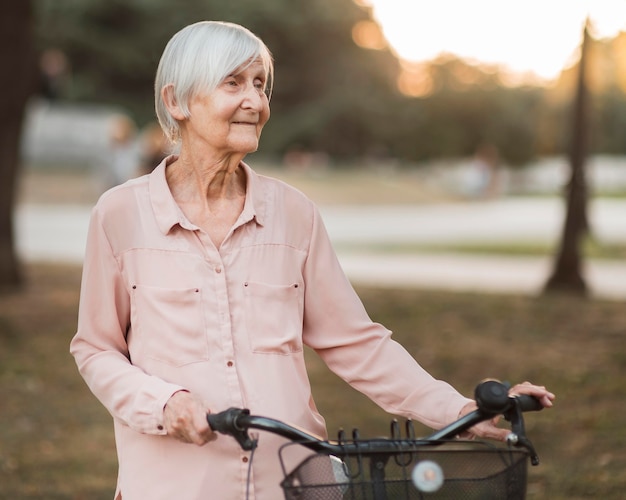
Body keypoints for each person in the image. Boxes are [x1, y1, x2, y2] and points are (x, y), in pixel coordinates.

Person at [70, 21, 554, 500]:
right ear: (176, 102)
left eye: (260, 84)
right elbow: (96, 348)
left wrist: (459, 411)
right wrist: (163, 402)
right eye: (233, 83)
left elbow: (357, 343)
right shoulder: (120, 215)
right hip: (171, 486)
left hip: (293, 482)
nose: (255, 102)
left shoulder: (295, 214)